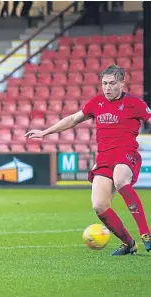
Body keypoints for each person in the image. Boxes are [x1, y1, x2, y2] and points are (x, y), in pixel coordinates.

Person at [25, 65, 151, 256]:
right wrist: (45, 132)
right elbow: (74, 119)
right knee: (99, 205)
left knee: (120, 179)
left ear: (122, 83)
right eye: (104, 83)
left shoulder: (135, 104)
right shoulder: (97, 102)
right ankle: (128, 243)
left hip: (126, 154)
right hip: (104, 158)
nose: (107, 88)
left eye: (112, 84)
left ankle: (145, 233)